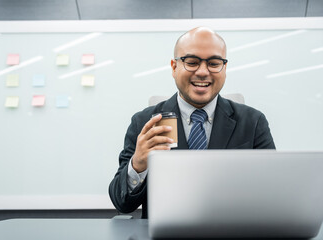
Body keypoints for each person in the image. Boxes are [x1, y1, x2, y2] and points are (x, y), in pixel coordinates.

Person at [109, 27, 275, 219]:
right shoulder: (144, 122)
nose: (203, 72)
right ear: (174, 67)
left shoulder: (253, 122)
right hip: (167, 232)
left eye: (214, 63)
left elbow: (272, 192)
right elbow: (122, 202)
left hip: (232, 230)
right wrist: (137, 165)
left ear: (224, 68)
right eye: (192, 62)